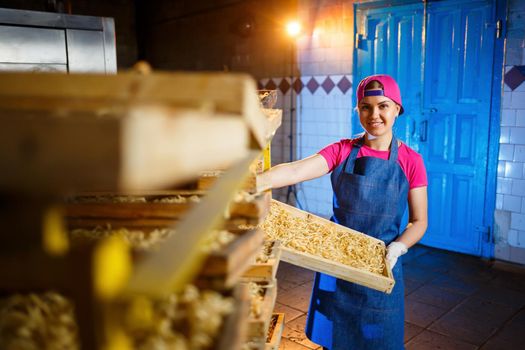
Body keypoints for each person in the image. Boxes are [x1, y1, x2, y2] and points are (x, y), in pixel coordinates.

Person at [261, 74, 428, 349]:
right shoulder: (342, 150)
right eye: (365, 106)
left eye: (383, 105)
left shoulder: (411, 161)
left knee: (379, 340)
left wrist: (398, 247)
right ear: (358, 110)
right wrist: (254, 181)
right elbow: (295, 170)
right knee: (335, 340)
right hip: (336, 262)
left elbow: (419, 221)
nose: (374, 114)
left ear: (397, 108)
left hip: (381, 264)